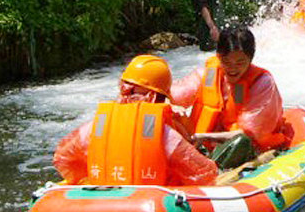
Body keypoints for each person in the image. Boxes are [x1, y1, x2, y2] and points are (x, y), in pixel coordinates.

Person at [53, 55, 218, 186]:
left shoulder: (95, 126)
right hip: (152, 202)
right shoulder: (164, 134)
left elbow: (62, 158)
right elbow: (205, 174)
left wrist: (87, 179)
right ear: (156, 97)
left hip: (102, 200)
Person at [171, 25, 288, 170]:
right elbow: (173, 95)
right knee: (167, 116)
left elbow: (251, 134)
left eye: (240, 63)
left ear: (250, 59)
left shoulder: (262, 83)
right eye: (226, 62)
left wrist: (206, 137)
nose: (232, 69)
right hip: (206, 146)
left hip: (245, 148)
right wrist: (169, 105)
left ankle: (209, 172)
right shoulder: (208, 74)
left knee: (241, 141)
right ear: (218, 56)